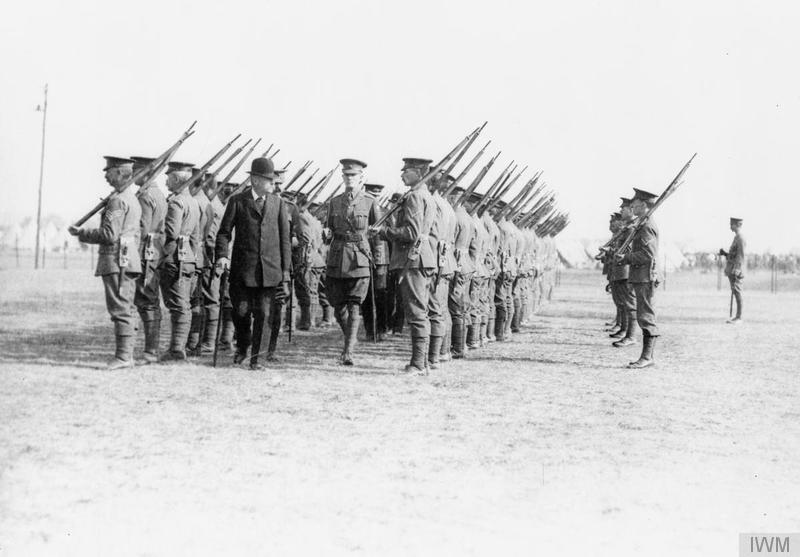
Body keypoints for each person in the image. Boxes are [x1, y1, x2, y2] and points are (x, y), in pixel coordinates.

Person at [214, 157, 291, 370]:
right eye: (269, 180)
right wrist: (222, 255)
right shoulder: (237, 201)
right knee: (240, 312)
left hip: (270, 271)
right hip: (242, 270)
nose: (273, 185)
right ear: (256, 180)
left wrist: (285, 272)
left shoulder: (279, 204)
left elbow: (285, 240)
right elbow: (223, 233)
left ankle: (257, 358)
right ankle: (243, 345)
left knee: (265, 315)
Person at [69, 156, 142, 369]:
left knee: (120, 308)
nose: (105, 175)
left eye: (109, 171)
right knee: (126, 306)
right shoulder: (131, 197)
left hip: (116, 259)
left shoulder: (118, 200)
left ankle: (123, 357)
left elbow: (109, 234)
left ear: (120, 173)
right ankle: (126, 355)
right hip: (127, 259)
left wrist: (82, 233)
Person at [374, 158, 437, 374]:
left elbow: (411, 233)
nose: (402, 175)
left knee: (416, 312)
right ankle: (423, 362)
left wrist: (384, 232)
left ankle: (419, 363)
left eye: (406, 171)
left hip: (413, 260)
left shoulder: (415, 198)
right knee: (421, 310)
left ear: (419, 173)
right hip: (423, 259)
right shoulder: (425, 195)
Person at [326, 159, 379, 365]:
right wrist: (326, 233)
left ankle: (348, 350)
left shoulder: (370, 202)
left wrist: (379, 264)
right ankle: (351, 335)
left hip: (359, 257)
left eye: (353, 175)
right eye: (346, 175)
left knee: (354, 304)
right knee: (337, 306)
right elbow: (329, 229)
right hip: (338, 257)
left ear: (361, 178)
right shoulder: (334, 202)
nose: (349, 178)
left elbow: (377, 235)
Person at [158, 161, 201, 361]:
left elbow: (171, 232)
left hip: (174, 258)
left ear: (176, 179)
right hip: (188, 258)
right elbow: (196, 236)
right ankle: (178, 348)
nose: (166, 181)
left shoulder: (175, 202)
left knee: (178, 304)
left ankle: (177, 349)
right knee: (182, 303)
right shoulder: (194, 202)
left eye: (169, 177)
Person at [616, 188, 659, 368]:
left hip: (645, 277)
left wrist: (626, 258)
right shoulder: (643, 224)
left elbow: (648, 255)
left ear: (643, 205)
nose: (632, 207)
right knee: (643, 315)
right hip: (640, 276)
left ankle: (647, 357)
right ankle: (646, 356)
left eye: (635, 205)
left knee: (646, 316)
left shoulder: (647, 226)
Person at [130, 156, 167, 363]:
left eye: (136, 170)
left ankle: (151, 351)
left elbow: (142, 228)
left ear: (145, 172)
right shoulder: (158, 193)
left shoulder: (145, 196)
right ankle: (150, 349)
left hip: (146, 253)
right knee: (149, 300)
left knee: (147, 301)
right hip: (155, 252)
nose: (132, 174)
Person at [361, 183, 390, 341]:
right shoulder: (361, 209)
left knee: (380, 294)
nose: (375, 198)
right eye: (372, 195)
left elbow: (386, 236)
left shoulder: (385, 212)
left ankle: (381, 328)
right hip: (365, 255)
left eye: (377, 195)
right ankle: (370, 329)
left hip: (380, 258)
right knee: (366, 294)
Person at [719, 217, 745, 324]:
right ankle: (737, 317)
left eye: (732, 224)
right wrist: (725, 254)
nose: (730, 226)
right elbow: (733, 255)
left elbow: (740, 256)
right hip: (732, 268)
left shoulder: (741, 238)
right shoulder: (736, 238)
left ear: (737, 225)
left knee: (737, 292)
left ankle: (739, 317)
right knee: (735, 292)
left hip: (736, 270)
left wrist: (737, 269)